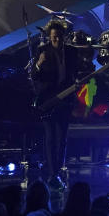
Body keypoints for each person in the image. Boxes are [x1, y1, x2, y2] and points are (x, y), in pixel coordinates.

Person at [32, 20, 80, 186]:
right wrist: (39, 64)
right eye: (54, 38)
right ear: (49, 37)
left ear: (64, 36)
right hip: (48, 99)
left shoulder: (72, 52)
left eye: (59, 37)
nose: (57, 41)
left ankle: (57, 171)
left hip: (65, 99)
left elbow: (77, 71)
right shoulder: (42, 50)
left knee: (61, 138)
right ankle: (52, 173)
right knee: (50, 138)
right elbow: (34, 75)